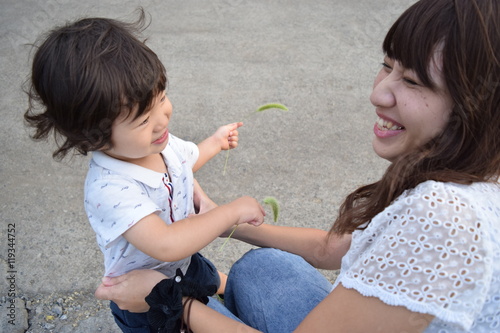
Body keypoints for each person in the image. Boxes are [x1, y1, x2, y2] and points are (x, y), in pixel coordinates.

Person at [98, 0, 499, 331]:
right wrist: (226, 220)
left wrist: (171, 302)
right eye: (387, 65)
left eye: (412, 82)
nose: (379, 93)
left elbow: (167, 239)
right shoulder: (473, 172)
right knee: (263, 267)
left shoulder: (445, 218)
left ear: (475, 104)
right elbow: (330, 249)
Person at [23, 10, 266, 333]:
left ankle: (221, 290)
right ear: (94, 135)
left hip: (186, 265)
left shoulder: (157, 143)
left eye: (161, 98)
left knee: (204, 278)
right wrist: (230, 212)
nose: (162, 120)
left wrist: (215, 142)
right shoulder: (109, 188)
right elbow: (165, 245)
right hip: (145, 297)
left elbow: (184, 162)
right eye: (143, 120)